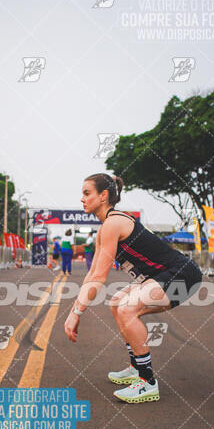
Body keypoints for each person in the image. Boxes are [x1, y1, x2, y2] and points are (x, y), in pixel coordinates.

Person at [64, 173, 202, 404]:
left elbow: (99, 277)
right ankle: (135, 368)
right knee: (117, 302)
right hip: (161, 276)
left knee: (128, 308)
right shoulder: (105, 229)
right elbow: (91, 274)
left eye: (87, 193)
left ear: (104, 195)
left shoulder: (113, 223)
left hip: (183, 275)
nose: (82, 199)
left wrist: (75, 313)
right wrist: (74, 310)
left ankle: (147, 383)